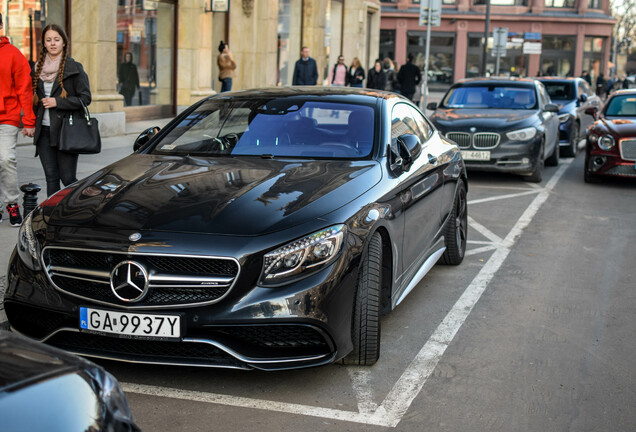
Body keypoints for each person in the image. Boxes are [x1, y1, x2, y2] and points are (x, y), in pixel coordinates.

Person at [32, 23, 92, 197]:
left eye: (56, 40)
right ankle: (51, 216)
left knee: (67, 178)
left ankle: (78, 208)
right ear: (43, 43)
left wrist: (58, 102)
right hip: (43, 132)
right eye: (48, 40)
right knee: (51, 178)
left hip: (66, 131)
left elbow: (85, 98)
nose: (52, 43)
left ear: (64, 43)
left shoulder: (74, 68)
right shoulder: (36, 69)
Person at [0, 12, 35, 226]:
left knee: (6, 159)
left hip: (7, 117)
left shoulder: (13, 54)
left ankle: (12, 204)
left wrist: (29, 121)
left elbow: (25, 89)